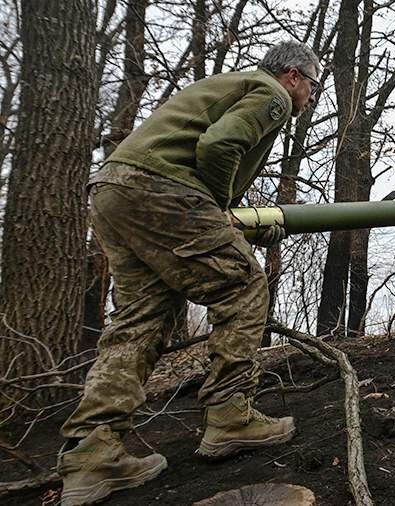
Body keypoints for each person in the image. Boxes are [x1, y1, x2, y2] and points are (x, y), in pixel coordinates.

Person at [56, 41, 322, 506]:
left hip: (114, 189)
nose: (312, 98)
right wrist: (218, 210)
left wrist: (234, 218)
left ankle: (92, 454)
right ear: (294, 76)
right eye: (313, 87)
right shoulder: (271, 93)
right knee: (242, 285)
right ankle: (229, 416)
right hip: (161, 187)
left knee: (140, 319)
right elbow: (219, 146)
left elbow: (205, 160)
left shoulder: (230, 84)